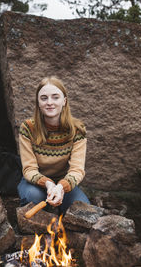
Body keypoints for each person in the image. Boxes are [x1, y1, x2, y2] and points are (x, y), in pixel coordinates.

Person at [17, 76, 90, 215]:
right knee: (34, 197)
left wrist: (61, 187)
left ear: (64, 101)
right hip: (34, 182)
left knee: (83, 210)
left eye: (55, 97)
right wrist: (48, 184)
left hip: (63, 182)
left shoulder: (77, 129)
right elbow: (29, 169)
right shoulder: (28, 128)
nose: (49, 102)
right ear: (38, 103)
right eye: (44, 98)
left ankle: (59, 213)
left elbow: (77, 170)